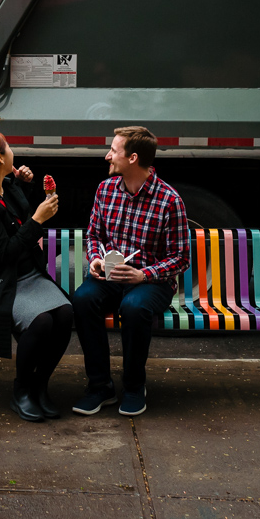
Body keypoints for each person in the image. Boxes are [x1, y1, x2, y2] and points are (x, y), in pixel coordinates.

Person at [71, 126, 190, 417]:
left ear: (133, 158)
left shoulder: (169, 200)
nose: (107, 156)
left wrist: (144, 275)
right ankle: (100, 387)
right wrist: (96, 259)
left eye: (114, 150)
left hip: (151, 281)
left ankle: (135, 386)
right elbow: (94, 235)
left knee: (134, 307)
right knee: (83, 300)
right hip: (111, 275)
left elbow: (181, 257)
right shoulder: (106, 189)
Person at [0, 130, 73, 422]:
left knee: (66, 313)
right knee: (42, 321)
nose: (12, 150)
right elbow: (6, 251)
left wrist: (25, 184)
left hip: (27, 273)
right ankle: (21, 390)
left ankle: (40, 384)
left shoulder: (5, 185)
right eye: (7, 147)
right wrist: (38, 219)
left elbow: (18, 215)